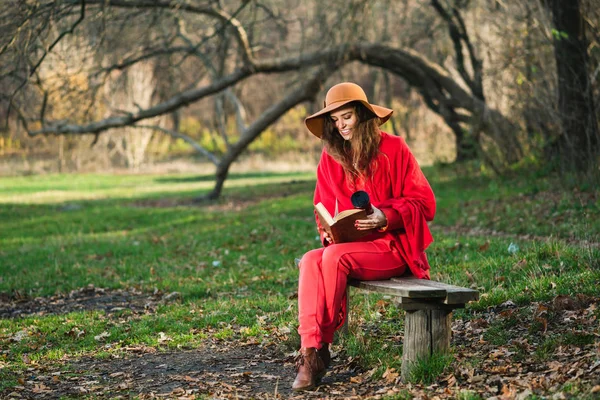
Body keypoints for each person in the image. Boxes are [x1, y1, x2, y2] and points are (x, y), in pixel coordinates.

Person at [293, 82, 436, 391]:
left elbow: (425, 203)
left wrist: (386, 215)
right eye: (335, 120)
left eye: (346, 117)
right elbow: (321, 207)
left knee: (333, 257)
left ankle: (321, 346)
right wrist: (329, 231)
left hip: (392, 247)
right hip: (351, 247)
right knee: (310, 259)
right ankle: (309, 351)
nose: (340, 125)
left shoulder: (395, 148)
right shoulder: (331, 157)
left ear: (362, 114)